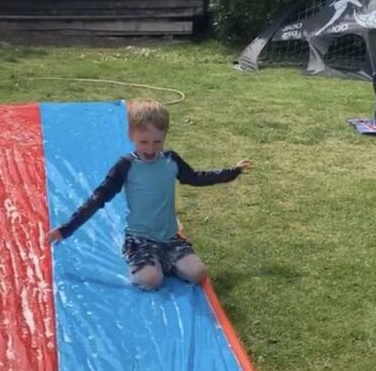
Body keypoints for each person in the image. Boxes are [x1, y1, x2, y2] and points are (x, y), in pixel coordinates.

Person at [46, 99, 252, 290]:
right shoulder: (126, 166)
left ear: (164, 138)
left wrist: (232, 171)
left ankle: (165, 260)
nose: (151, 148)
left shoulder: (171, 161)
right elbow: (98, 198)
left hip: (170, 238)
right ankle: (147, 261)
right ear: (131, 135)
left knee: (198, 274)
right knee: (150, 281)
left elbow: (196, 177)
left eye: (157, 142)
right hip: (140, 239)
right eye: (144, 142)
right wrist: (66, 229)